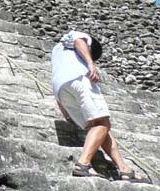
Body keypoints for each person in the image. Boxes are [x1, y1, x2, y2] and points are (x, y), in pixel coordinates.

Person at [51, 31, 149, 182]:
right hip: (79, 79)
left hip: (61, 90)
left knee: (100, 128)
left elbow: (57, 76)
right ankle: (83, 164)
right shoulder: (79, 37)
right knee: (103, 123)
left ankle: (124, 169)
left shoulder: (57, 51)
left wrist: (64, 109)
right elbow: (79, 41)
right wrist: (90, 63)